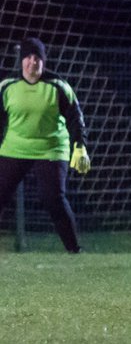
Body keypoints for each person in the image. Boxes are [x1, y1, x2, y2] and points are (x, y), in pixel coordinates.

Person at [0, 37, 91, 253]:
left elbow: (75, 118)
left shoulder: (58, 86)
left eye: (37, 57)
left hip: (51, 149)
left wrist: (80, 146)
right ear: (21, 60)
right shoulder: (6, 86)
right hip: (15, 148)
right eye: (28, 57)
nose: (33, 62)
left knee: (53, 199)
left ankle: (74, 250)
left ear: (44, 61)